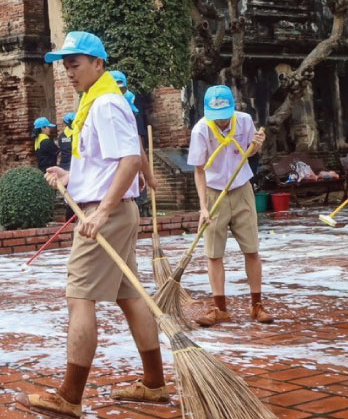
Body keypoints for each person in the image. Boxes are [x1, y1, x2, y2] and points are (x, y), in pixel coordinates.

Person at [16, 31, 170, 417]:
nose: (69, 71)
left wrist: (102, 211)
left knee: (79, 296)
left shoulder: (105, 104)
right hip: (109, 209)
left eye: (76, 63)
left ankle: (69, 395)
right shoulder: (92, 102)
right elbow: (104, 162)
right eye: (65, 65)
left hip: (106, 216)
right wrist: (72, 178)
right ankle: (154, 383)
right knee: (130, 297)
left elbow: (131, 160)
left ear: (98, 64)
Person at [187, 85, 273, 327]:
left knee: (251, 249)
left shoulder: (244, 121)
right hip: (214, 193)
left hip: (242, 188)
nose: (222, 121)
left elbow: (250, 153)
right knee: (214, 254)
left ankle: (257, 305)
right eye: (217, 116)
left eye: (225, 114)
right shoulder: (201, 129)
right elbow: (198, 170)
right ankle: (220, 308)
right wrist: (203, 208)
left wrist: (258, 144)